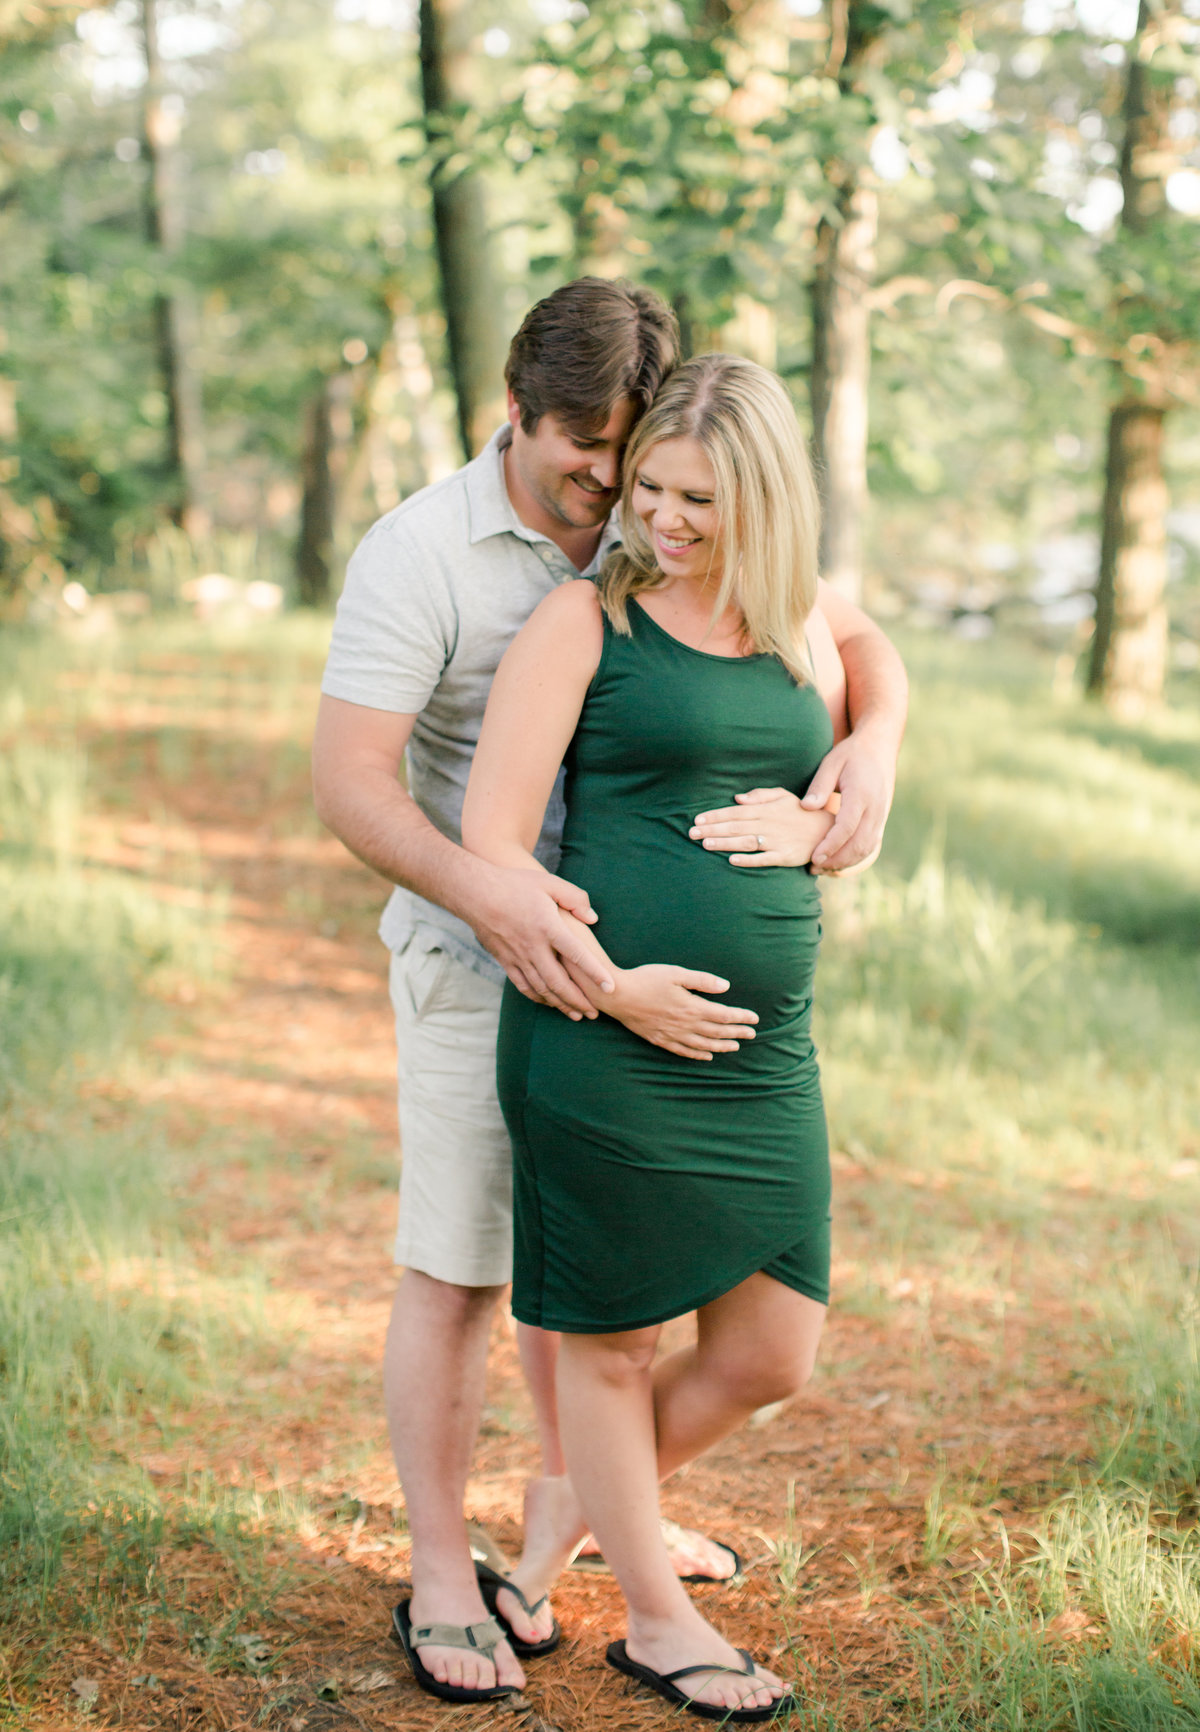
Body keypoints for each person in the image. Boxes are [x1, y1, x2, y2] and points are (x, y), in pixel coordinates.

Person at [312, 282, 907, 1707]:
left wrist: (872, 750)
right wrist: (521, 917)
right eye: (603, 470)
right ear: (512, 415)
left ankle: (588, 1513)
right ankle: (465, 1575)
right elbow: (351, 785)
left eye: (642, 469)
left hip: (721, 1031)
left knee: (703, 1327)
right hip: (492, 964)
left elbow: (856, 640)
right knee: (471, 1272)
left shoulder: (705, 554)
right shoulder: (435, 562)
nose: (623, 503)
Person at [462, 353, 873, 1721]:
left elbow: (877, 664)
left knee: (773, 1352)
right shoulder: (589, 621)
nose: (666, 519)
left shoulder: (795, 616)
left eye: (698, 494)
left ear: (761, 493)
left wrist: (860, 772)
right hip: (601, 1041)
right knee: (615, 1348)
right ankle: (655, 1617)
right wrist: (615, 986)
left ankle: (566, 1509)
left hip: (767, 1059)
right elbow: (496, 850)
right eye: (650, 488)